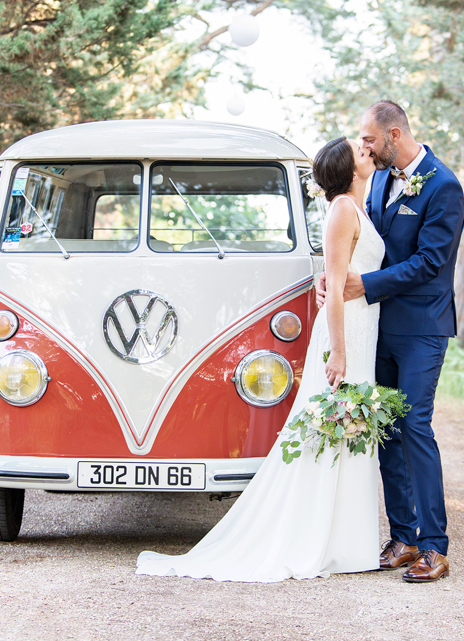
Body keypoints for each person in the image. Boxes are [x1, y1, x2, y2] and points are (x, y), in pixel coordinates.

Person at [136, 137, 384, 582]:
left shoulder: (358, 208)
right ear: (349, 169)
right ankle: (322, 541)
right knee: (332, 430)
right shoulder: (344, 209)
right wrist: (339, 351)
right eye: (358, 150)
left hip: (363, 330)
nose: (366, 150)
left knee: (350, 432)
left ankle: (346, 542)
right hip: (346, 334)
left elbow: (340, 275)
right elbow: (333, 287)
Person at [320, 100, 464, 583]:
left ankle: (434, 546)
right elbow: (365, 243)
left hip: (422, 328)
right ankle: (404, 536)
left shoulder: (443, 186)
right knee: (387, 431)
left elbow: (430, 262)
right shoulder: (379, 179)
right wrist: (335, 278)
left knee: (416, 425)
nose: (364, 147)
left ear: (395, 135)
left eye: (369, 139)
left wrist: (365, 285)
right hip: (377, 326)